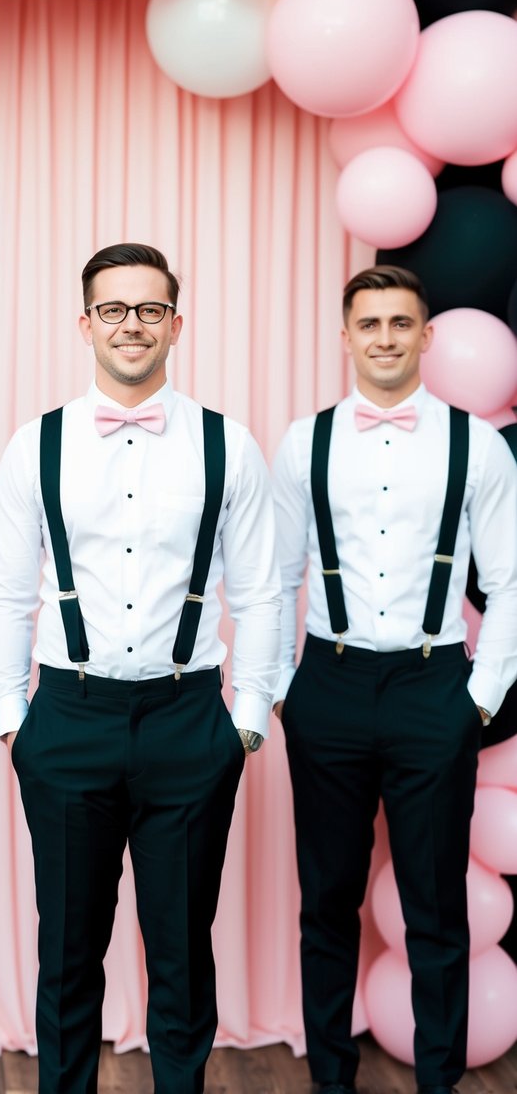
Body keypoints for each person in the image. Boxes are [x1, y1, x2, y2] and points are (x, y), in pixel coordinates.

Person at [0, 242, 281, 1094]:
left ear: (176, 324)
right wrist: (13, 720)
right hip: (67, 719)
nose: (131, 325)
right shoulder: (33, 445)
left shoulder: (229, 444)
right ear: (84, 324)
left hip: (190, 722)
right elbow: (4, 590)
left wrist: (248, 718)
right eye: (113, 309)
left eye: (150, 309)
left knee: (183, 953)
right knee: (68, 953)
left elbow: (260, 591)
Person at [272, 265, 517, 1094]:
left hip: (431, 687)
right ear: (345, 337)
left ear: (425, 336)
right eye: (368, 324)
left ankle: (439, 1081)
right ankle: (330, 1080)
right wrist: (277, 689)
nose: (383, 338)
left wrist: (478, 697)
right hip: (328, 685)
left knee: (434, 908)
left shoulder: (475, 444)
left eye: (398, 323)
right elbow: (272, 576)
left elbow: (512, 577)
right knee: (326, 902)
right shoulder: (302, 442)